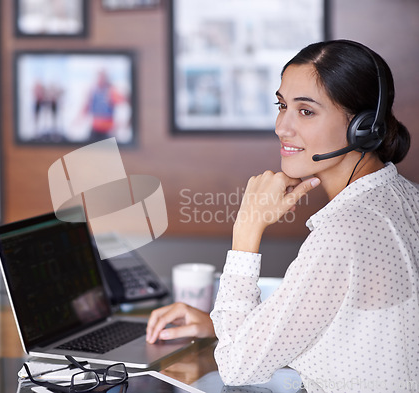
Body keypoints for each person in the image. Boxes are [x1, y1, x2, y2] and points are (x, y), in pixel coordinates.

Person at [146, 40, 419, 392]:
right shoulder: (407, 197)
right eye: (282, 105)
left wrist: (247, 228)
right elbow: (355, 334)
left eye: (306, 111)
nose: (281, 127)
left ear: (363, 126)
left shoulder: (342, 234)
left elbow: (236, 366)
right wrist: (223, 327)